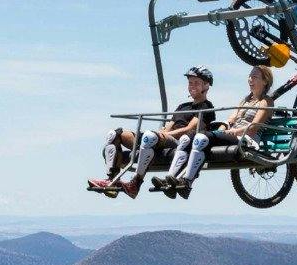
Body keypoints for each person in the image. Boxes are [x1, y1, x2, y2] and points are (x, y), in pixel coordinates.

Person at [89, 65, 215, 199]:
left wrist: (165, 135)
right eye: (190, 83)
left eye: (196, 83)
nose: (192, 86)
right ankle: (112, 180)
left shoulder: (206, 107)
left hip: (179, 142)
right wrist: (162, 133)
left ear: (206, 86)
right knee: (114, 134)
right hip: (165, 138)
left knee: (149, 137)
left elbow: (189, 129)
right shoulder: (182, 106)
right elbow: (168, 126)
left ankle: (135, 183)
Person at [156, 64, 275, 198]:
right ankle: (170, 179)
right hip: (233, 135)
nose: (250, 79)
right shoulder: (245, 100)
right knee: (188, 138)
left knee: (201, 138)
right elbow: (230, 120)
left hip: (246, 139)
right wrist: (222, 130)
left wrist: (234, 132)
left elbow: (253, 127)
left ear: (265, 81)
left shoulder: (266, 102)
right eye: (249, 76)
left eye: (254, 77)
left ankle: (187, 182)